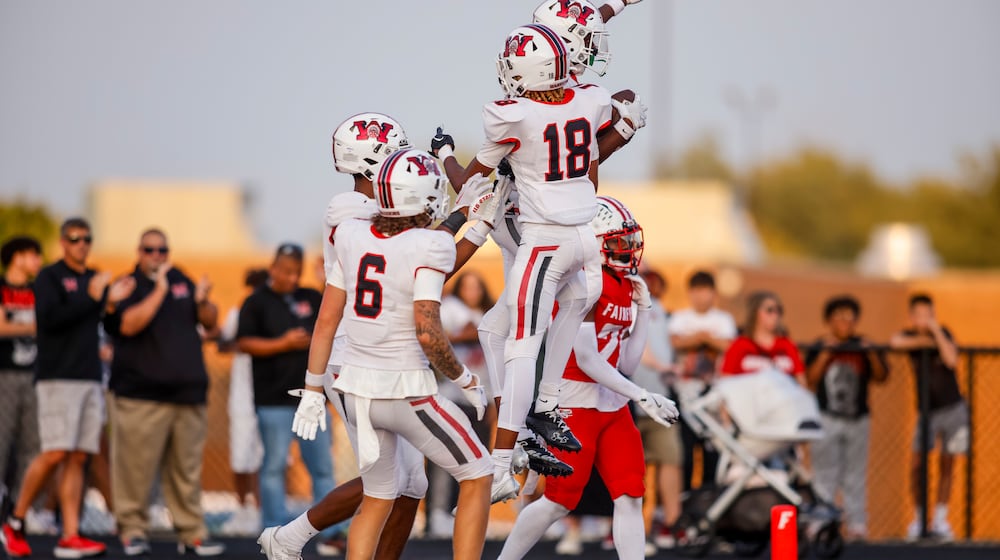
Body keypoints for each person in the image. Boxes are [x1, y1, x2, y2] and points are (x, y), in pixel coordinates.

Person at [434, 22, 617, 502]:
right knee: (554, 309)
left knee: (519, 347)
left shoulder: (512, 117)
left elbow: (472, 180)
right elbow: (598, 131)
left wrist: (446, 156)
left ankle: (500, 462)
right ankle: (548, 406)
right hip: (585, 235)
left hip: (545, 240)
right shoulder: (590, 97)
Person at [291, 148, 493, 560]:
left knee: (379, 496)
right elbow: (428, 333)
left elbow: (326, 321)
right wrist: (464, 378)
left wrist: (313, 389)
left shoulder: (350, 235)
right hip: (405, 393)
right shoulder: (430, 245)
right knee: (479, 472)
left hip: (354, 391)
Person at [497, 196, 678, 560]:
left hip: (612, 406)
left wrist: (643, 311)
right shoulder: (580, 282)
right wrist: (642, 395)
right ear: (595, 243)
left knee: (630, 495)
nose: (627, 250)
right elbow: (587, 359)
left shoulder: (627, 286)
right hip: (574, 403)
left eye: (629, 241)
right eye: (617, 242)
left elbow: (625, 363)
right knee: (558, 502)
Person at [1, 218, 134, 559]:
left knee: (78, 456)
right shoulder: (49, 277)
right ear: (64, 242)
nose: (82, 245)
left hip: (89, 376)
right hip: (57, 377)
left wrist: (112, 302)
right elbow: (50, 320)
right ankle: (14, 520)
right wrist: (93, 298)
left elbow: (107, 324)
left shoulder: (95, 278)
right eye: (75, 239)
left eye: (87, 239)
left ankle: (70, 534)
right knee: (55, 451)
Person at [104, 228, 223, 557]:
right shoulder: (128, 285)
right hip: (140, 395)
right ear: (138, 252)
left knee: (186, 471)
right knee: (134, 470)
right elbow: (128, 325)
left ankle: (191, 533)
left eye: (162, 250)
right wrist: (159, 289)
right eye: (150, 249)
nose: (157, 255)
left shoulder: (182, 279)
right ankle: (132, 530)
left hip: (187, 394)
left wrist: (202, 299)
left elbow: (211, 323)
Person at [236, 244, 345, 552]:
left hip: (310, 398)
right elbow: (244, 343)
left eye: (296, 272)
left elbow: (333, 320)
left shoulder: (310, 297)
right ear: (273, 268)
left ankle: (330, 532)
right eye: (286, 271)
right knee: (273, 467)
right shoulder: (255, 302)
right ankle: (273, 529)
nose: (292, 278)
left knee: (322, 468)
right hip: (273, 400)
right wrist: (282, 343)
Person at [804, 295, 887, 541]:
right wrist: (825, 354)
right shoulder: (820, 345)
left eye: (850, 317)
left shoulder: (861, 346)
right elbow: (810, 380)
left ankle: (856, 524)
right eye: (839, 317)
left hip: (857, 419)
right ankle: (821, 523)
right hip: (826, 417)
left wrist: (871, 352)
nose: (845, 322)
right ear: (829, 320)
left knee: (855, 474)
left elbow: (881, 376)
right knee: (824, 473)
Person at [890, 293, 968, 541]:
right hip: (926, 412)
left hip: (953, 408)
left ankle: (940, 520)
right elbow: (895, 343)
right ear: (912, 317)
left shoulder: (944, 332)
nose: (925, 319)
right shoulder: (910, 336)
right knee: (917, 465)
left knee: (948, 464)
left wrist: (935, 333)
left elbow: (951, 358)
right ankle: (920, 518)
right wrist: (925, 341)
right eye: (920, 315)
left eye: (929, 314)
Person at [426, 272, 496, 538]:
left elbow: (494, 364)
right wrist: (461, 337)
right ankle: (437, 514)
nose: (471, 291)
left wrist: (492, 400)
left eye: (476, 285)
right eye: (466, 285)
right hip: (449, 394)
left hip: (480, 397)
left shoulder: (489, 315)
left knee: (477, 460)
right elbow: (433, 343)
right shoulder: (449, 310)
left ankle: (464, 516)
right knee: (445, 457)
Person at [668, 270, 736, 490]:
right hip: (684, 393)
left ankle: (709, 496)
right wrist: (706, 338)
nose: (700, 297)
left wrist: (698, 338)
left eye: (705, 291)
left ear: (713, 293)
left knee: (712, 451)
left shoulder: (724, 319)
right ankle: (685, 497)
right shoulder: (680, 317)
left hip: (714, 396)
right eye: (696, 291)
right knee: (685, 452)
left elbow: (729, 346)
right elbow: (676, 342)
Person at [631, 268, 684, 550]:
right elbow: (642, 351)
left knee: (671, 459)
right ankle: (633, 528)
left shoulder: (662, 311)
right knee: (632, 469)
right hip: (632, 398)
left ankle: (672, 523)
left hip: (660, 400)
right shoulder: (626, 306)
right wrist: (667, 367)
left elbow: (666, 347)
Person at [217, 267, 268, 536]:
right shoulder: (238, 313)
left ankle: (260, 509)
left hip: (267, 393)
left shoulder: (273, 313)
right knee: (240, 455)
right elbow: (223, 344)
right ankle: (243, 508)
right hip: (242, 395)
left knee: (264, 456)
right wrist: (249, 343)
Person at [0, 237, 43, 531]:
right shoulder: (2, 288)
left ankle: (22, 511)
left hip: (36, 376)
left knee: (34, 444)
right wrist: (37, 326)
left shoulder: (39, 291)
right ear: (17, 257)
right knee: (1, 442)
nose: (38, 261)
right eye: (33, 255)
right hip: (4, 375)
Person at [721, 291, 805, 383]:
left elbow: (801, 382)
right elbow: (726, 382)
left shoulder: (787, 345)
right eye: (769, 310)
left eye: (779, 310)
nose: (775, 315)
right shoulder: (740, 345)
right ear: (755, 312)